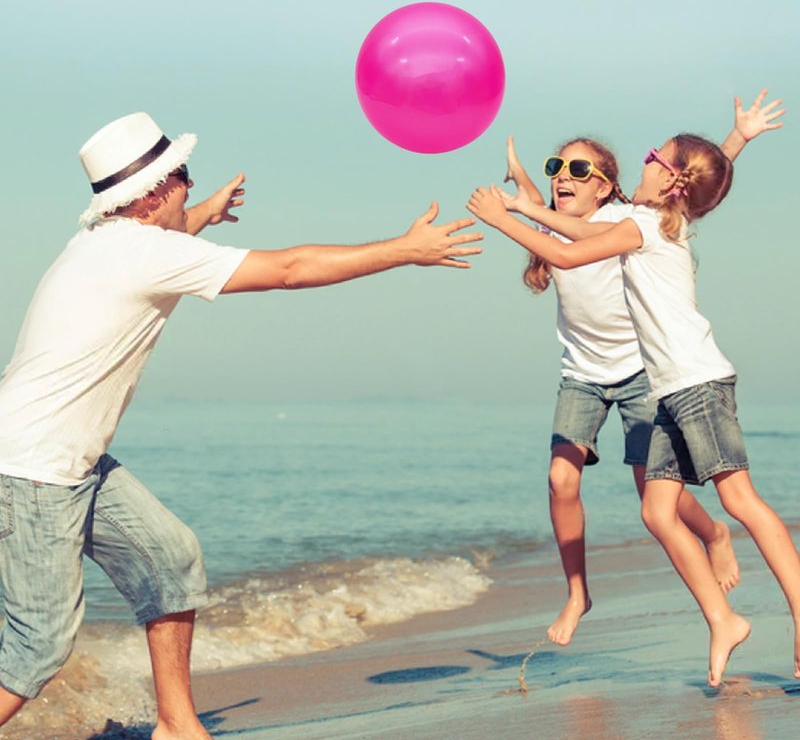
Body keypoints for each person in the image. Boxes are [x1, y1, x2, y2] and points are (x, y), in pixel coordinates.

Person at [0, 111, 482, 738]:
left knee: (170, 559)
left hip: (63, 460)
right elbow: (290, 269)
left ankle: (177, 725)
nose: (190, 187)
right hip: (33, 469)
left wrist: (202, 215)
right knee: (38, 645)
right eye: (183, 177)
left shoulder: (103, 243)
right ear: (154, 193)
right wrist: (403, 250)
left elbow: (163, 240)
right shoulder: (144, 253)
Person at [466, 97, 800, 687]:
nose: (645, 160)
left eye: (653, 157)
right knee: (656, 511)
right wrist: (737, 139)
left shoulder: (644, 224)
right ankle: (723, 620)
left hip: (696, 381)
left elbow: (567, 250)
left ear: (667, 180)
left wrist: (501, 217)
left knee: (741, 502)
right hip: (669, 392)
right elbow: (581, 225)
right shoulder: (661, 218)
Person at [502, 129, 745, 646]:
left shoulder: (626, 218)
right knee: (560, 480)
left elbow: (688, 187)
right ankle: (577, 594)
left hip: (639, 373)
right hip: (581, 375)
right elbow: (538, 209)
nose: (564, 177)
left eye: (579, 170)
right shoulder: (555, 222)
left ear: (605, 186)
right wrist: (523, 185)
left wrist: (736, 139)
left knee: (654, 491)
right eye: (557, 168)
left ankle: (714, 533)